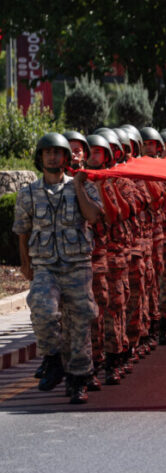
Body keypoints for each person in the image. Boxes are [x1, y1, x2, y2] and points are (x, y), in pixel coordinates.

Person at [13, 134, 103, 404]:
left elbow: (93, 216)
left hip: (76, 266)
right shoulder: (28, 193)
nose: (52, 157)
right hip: (45, 266)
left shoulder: (84, 185)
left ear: (66, 158)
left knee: (79, 325)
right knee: (43, 310)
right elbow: (22, 232)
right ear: (40, 157)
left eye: (57, 152)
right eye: (47, 152)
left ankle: (78, 380)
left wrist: (77, 188)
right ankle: (53, 359)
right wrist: (25, 264)